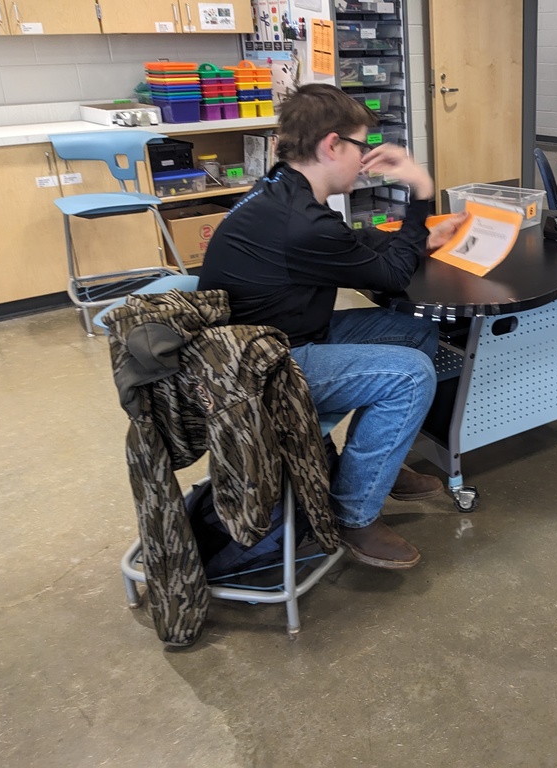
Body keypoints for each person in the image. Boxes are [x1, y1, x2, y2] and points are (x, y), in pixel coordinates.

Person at [199, 83, 467, 569]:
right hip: (263, 372)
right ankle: (353, 514)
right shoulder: (302, 222)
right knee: (411, 374)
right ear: (332, 145)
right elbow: (388, 274)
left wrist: (423, 237)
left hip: (275, 338)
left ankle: (375, 465)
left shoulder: (284, 191)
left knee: (416, 331)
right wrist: (421, 191)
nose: (366, 158)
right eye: (362, 146)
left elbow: (352, 243)